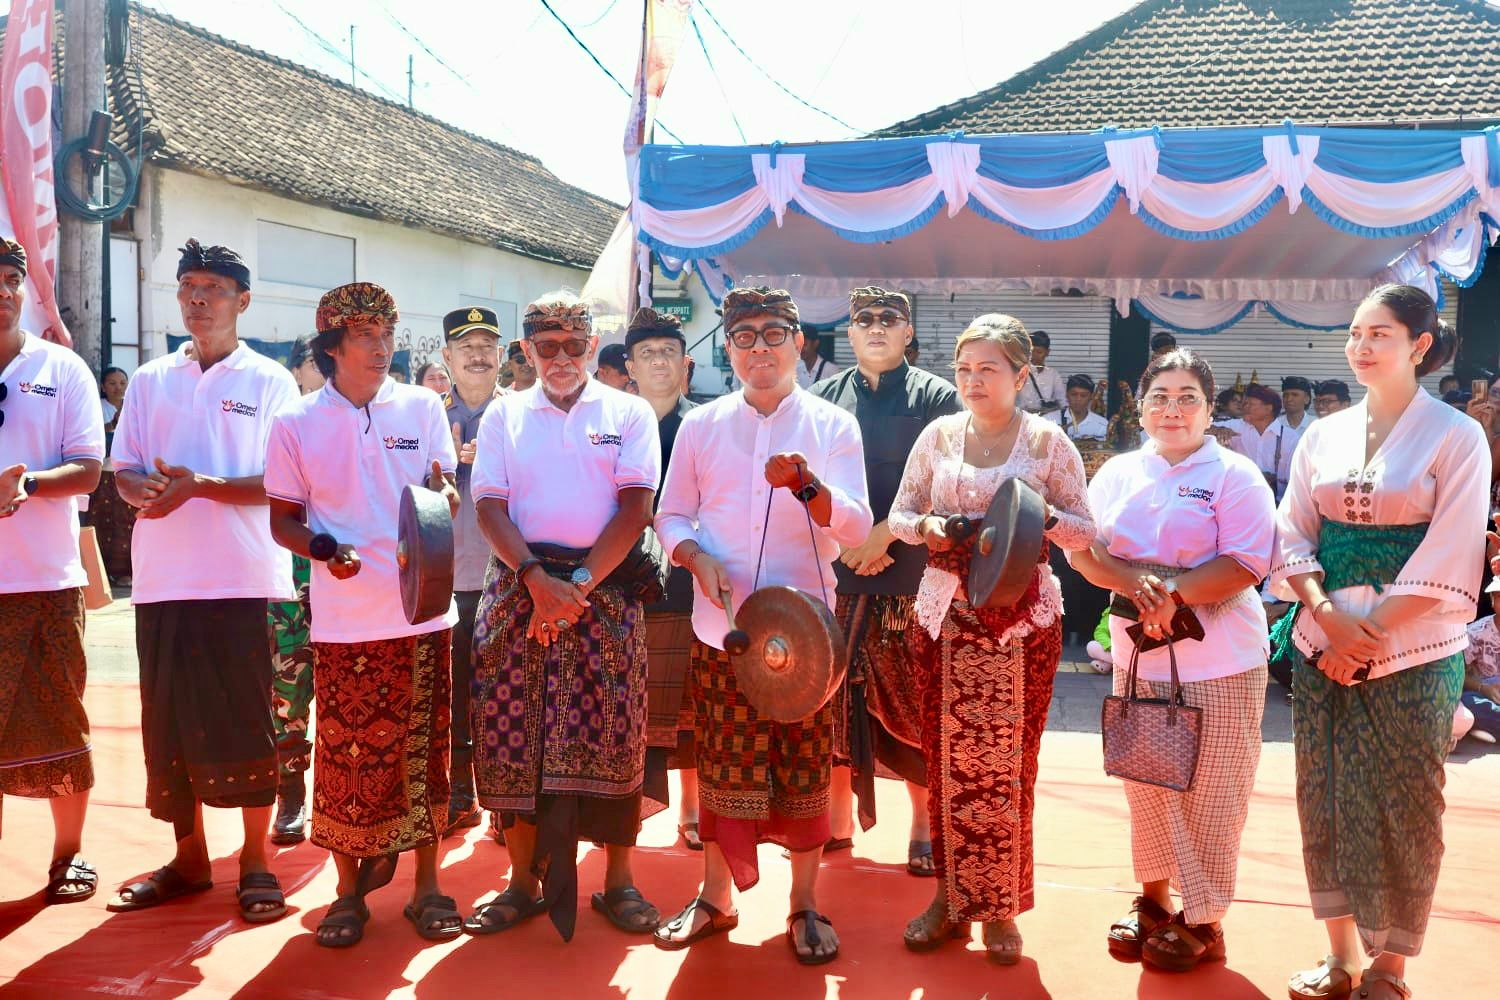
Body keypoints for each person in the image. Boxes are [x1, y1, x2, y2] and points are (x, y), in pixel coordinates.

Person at [1273, 285, 1486, 1000]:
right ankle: (1341, 958)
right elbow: (1292, 531)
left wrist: (1367, 635)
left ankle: (1391, 966)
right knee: (1323, 793)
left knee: (1408, 801)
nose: (1361, 347)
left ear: (1420, 346)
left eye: (1380, 334)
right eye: (1355, 333)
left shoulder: (1457, 435)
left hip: (1416, 648)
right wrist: (1324, 614)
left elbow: (1453, 547)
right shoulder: (1323, 434)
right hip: (1321, 639)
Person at [653, 286, 872, 965]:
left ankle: (803, 903)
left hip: (805, 638)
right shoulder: (702, 425)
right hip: (725, 629)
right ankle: (715, 897)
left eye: (774, 334)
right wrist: (695, 558)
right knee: (722, 766)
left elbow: (856, 526)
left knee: (804, 767)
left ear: (799, 342)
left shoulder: (833, 426)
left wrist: (807, 486)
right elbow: (671, 514)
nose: (760, 349)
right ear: (728, 348)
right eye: (744, 337)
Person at [888, 313, 1095, 964]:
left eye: (989, 369)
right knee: (945, 763)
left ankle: (1001, 907)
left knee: (1010, 766)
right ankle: (949, 901)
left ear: (1021, 374)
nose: (973, 380)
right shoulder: (938, 435)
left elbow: (1086, 531)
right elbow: (900, 515)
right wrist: (929, 526)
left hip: (1022, 620)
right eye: (964, 369)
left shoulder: (1048, 442)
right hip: (946, 617)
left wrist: (1044, 518)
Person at [105, 239, 297, 923]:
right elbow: (123, 468)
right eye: (188, 285)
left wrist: (202, 487)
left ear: (243, 301)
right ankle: (189, 860)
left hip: (243, 578)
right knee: (170, 725)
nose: (198, 299)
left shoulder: (270, 381)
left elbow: (284, 483)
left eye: (214, 288)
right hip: (163, 580)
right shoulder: (151, 378)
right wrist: (145, 492)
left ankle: (255, 861)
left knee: (248, 722)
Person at [265, 281, 462, 947]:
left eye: (387, 335)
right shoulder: (295, 422)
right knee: (345, 760)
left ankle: (428, 887)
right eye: (365, 337)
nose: (382, 348)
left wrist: (444, 499)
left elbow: (439, 490)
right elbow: (283, 521)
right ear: (332, 347)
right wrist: (325, 549)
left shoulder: (422, 405)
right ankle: (348, 894)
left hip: (422, 613)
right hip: (344, 620)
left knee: (425, 756)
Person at [1070, 348, 1275, 973]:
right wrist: (1138, 587)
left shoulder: (1236, 474)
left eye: (1188, 398)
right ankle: (1155, 902)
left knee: (1213, 792)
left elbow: (1245, 563)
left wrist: (1173, 594)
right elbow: (1084, 551)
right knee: (1147, 786)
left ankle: (1205, 918)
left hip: (1222, 658)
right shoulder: (1117, 473)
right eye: (1159, 397)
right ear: (1140, 407)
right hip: (1138, 655)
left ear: (1211, 410)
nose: (1173, 410)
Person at [467, 291, 663, 942]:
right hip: (519, 585)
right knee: (510, 739)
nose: (561, 358)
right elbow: (488, 506)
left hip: (601, 588)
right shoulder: (503, 414)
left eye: (574, 345)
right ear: (527, 350)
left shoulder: (629, 411)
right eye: (546, 346)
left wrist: (574, 588)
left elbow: (636, 508)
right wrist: (536, 581)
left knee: (614, 734)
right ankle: (521, 883)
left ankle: (619, 882)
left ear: (591, 345)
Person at [811, 286, 959, 873]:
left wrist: (881, 538)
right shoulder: (821, 399)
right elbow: (804, 482)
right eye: (865, 319)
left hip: (909, 573)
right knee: (832, 699)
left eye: (889, 319)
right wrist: (847, 541)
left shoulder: (937, 397)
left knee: (913, 701)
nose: (876, 327)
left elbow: (947, 483)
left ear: (908, 332)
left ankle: (922, 825)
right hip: (837, 569)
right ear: (849, 332)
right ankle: (837, 820)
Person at [0, 237, 105, 905]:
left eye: (11, 280)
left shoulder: (61, 368)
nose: (3, 291)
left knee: (62, 718)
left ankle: (68, 855)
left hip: (46, 581)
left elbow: (90, 468)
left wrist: (29, 483)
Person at [623, 307, 702, 848]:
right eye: (647, 353)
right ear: (629, 366)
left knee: (692, 709)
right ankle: (622, 811)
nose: (658, 362)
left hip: (688, 583)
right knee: (627, 708)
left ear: (685, 364)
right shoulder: (612, 425)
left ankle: (692, 812)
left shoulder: (705, 425)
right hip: (623, 583)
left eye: (668, 352)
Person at [438, 305, 503, 835]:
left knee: (508, 695)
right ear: (446, 356)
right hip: (444, 580)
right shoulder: (426, 416)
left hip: (507, 578)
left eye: (486, 346)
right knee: (453, 694)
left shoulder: (522, 413)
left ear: (501, 355)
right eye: (466, 347)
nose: (477, 356)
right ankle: (461, 791)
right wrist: (444, 470)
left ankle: (507, 802)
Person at [267, 347, 322, 847]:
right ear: (297, 371)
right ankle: (290, 793)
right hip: (287, 575)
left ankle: (339, 793)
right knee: (288, 686)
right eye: (314, 361)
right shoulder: (281, 424)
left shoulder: (355, 420)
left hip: (343, 577)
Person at [90, 365, 136, 584]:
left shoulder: (133, 406)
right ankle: (101, 572)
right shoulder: (97, 407)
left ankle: (126, 572)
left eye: (123, 383)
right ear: (103, 387)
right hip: (103, 474)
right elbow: (93, 436)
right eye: (112, 383)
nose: (118, 388)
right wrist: (113, 424)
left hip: (128, 473)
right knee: (102, 521)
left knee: (127, 522)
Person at [1017, 330, 1064, 414]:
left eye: (1039, 352)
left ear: (1047, 352)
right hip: (1022, 418)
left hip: (1045, 419)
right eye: (1031, 352)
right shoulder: (1018, 373)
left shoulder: (1053, 375)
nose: (1034, 356)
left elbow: (1062, 401)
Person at [1049, 373, 1108, 440]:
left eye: (1083, 395)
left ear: (1091, 396)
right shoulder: (1049, 421)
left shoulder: (1102, 425)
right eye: (1074, 394)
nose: (1078, 399)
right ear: (1066, 395)